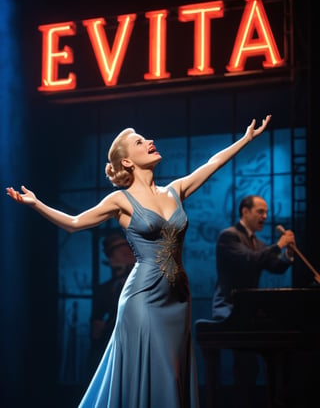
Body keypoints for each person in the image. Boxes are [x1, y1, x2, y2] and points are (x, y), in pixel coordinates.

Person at [6, 115, 271, 408]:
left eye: (146, 139)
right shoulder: (119, 200)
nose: (150, 142)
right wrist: (37, 204)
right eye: (140, 142)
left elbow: (213, 163)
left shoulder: (175, 190)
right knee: (161, 374)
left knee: (174, 374)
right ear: (128, 162)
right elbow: (75, 223)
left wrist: (246, 139)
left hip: (179, 299)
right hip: (143, 299)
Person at [211, 194, 296, 408]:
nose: (265, 216)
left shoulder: (259, 242)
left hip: (249, 309)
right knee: (246, 362)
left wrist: (287, 254)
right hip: (228, 306)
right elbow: (248, 260)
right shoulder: (228, 236)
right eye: (260, 211)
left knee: (276, 349)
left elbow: (275, 266)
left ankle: (276, 400)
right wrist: (277, 246)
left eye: (266, 212)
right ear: (245, 211)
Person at [88, 228, 136, 377]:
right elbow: (97, 321)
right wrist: (98, 328)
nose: (115, 259)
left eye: (124, 254)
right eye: (112, 255)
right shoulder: (106, 289)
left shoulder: (145, 286)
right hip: (111, 348)